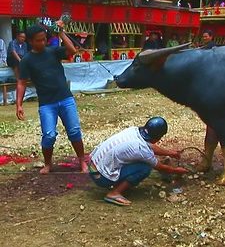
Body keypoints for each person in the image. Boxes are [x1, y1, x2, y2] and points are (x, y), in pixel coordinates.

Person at [16, 21, 88, 174]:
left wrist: (61, 32)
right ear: (30, 41)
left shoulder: (53, 51)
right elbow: (21, 83)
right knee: (48, 135)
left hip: (65, 98)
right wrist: (19, 104)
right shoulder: (27, 61)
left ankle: (82, 161)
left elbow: (72, 50)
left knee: (74, 131)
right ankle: (48, 164)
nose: (42, 42)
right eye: (38, 40)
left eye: (44, 39)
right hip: (46, 103)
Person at [88, 117, 189, 206]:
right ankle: (114, 193)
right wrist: (177, 170)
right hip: (101, 177)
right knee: (145, 168)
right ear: (158, 137)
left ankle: (116, 182)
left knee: (134, 159)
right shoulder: (141, 149)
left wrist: (171, 153)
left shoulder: (134, 131)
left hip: (94, 164)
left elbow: (150, 146)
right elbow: (159, 167)